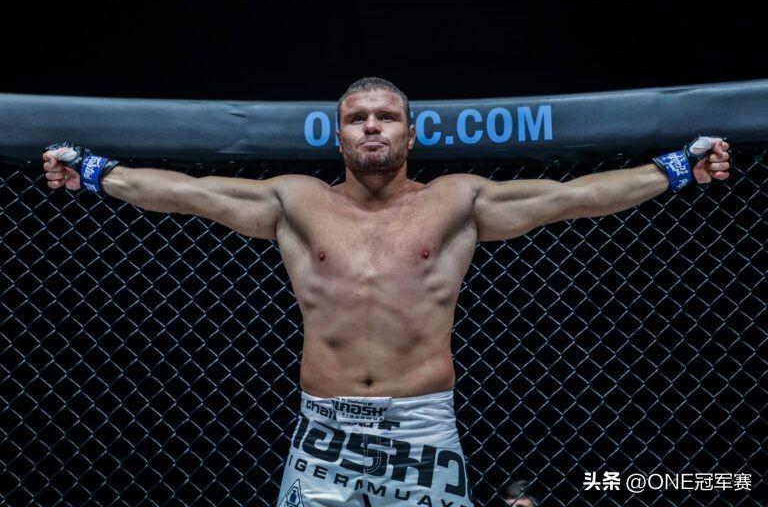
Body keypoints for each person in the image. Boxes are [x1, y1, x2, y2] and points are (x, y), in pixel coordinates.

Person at [41, 77, 731, 507]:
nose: (372, 126)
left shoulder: (458, 200)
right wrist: (94, 172)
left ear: (411, 132)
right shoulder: (295, 200)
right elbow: (188, 193)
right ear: (338, 134)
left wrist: (676, 169)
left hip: (423, 429)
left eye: (386, 116)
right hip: (324, 435)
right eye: (358, 118)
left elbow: (572, 197)